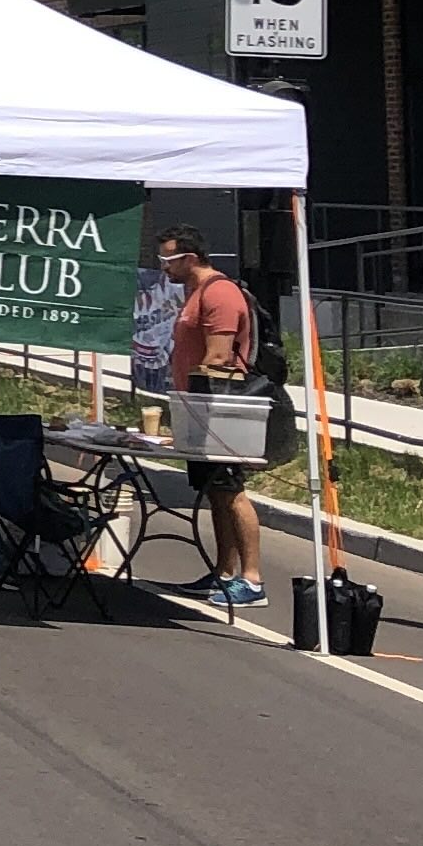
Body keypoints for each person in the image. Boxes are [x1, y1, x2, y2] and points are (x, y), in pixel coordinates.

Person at [160, 227, 267, 610]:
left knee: (231, 490)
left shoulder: (219, 292)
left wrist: (196, 403)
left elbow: (219, 358)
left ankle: (252, 579)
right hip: (197, 409)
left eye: (168, 260)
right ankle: (224, 572)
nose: (164, 268)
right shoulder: (194, 293)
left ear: (190, 258)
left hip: (218, 411)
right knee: (214, 493)